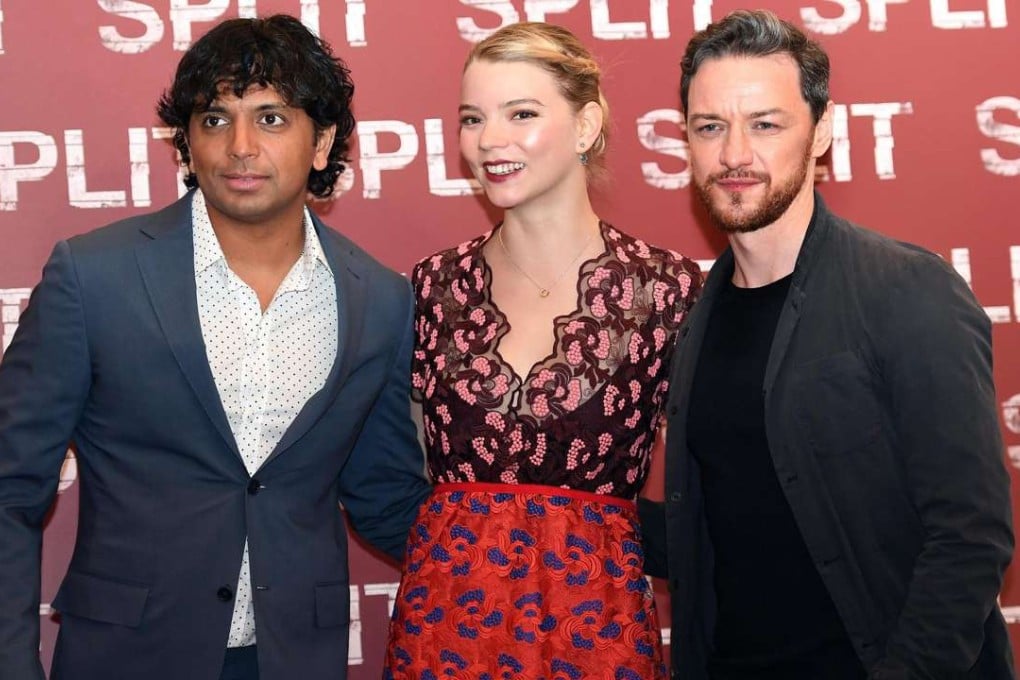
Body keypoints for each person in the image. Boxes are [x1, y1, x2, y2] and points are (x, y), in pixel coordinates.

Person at [0, 15, 430, 680]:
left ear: (322, 145)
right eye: (214, 119)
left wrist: (514, 567)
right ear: (187, 145)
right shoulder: (94, 277)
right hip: (127, 657)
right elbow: (9, 487)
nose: (240, 146)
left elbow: (381, 493)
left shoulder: (380, 300)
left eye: (272, 119)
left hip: (295, 660)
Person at [638, 9, 1014, 680]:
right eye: (710, 127)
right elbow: (732, 525)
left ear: (823, 132)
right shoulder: (699, 319)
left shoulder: (909, 292)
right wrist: (565, 516)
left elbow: (969, 538)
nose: (734, 155)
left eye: (765, 125)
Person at [382, 21, 702, 680]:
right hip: (446, 638)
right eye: (473, 118)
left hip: (599, 635)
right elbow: (392, 465)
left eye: (521, 113)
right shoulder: (433, 287)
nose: (490, 140)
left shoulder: (664, 290)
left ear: (586, 127)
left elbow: (719, 479)